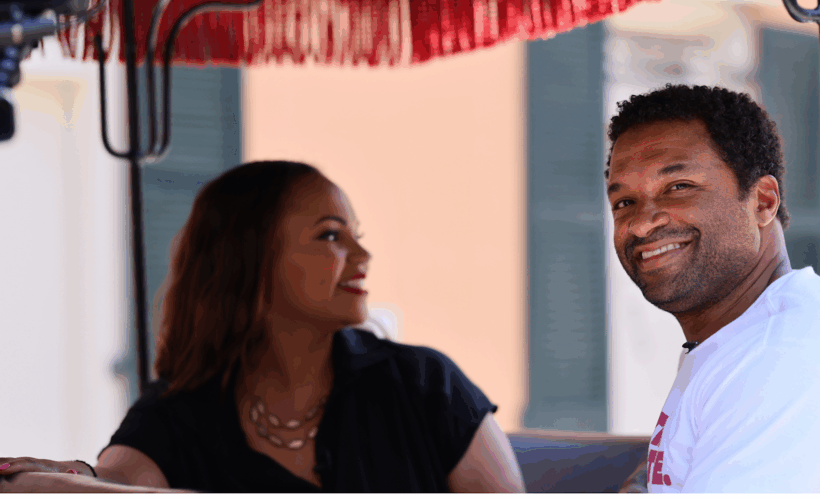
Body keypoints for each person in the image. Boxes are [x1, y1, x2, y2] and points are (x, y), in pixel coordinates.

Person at [0, 161, 526, 493]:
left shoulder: (425, 385)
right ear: (250, 260)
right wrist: (67, 476)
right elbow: (121, 483)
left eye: (353, 235)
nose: (362, 255)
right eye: (330, 237)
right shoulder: (178, 414)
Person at [604, 84, 820, 493]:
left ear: (762, 201)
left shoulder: (785, 357)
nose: (641, 223)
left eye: (679, 187)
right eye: (624, 203)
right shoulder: (742, 340)